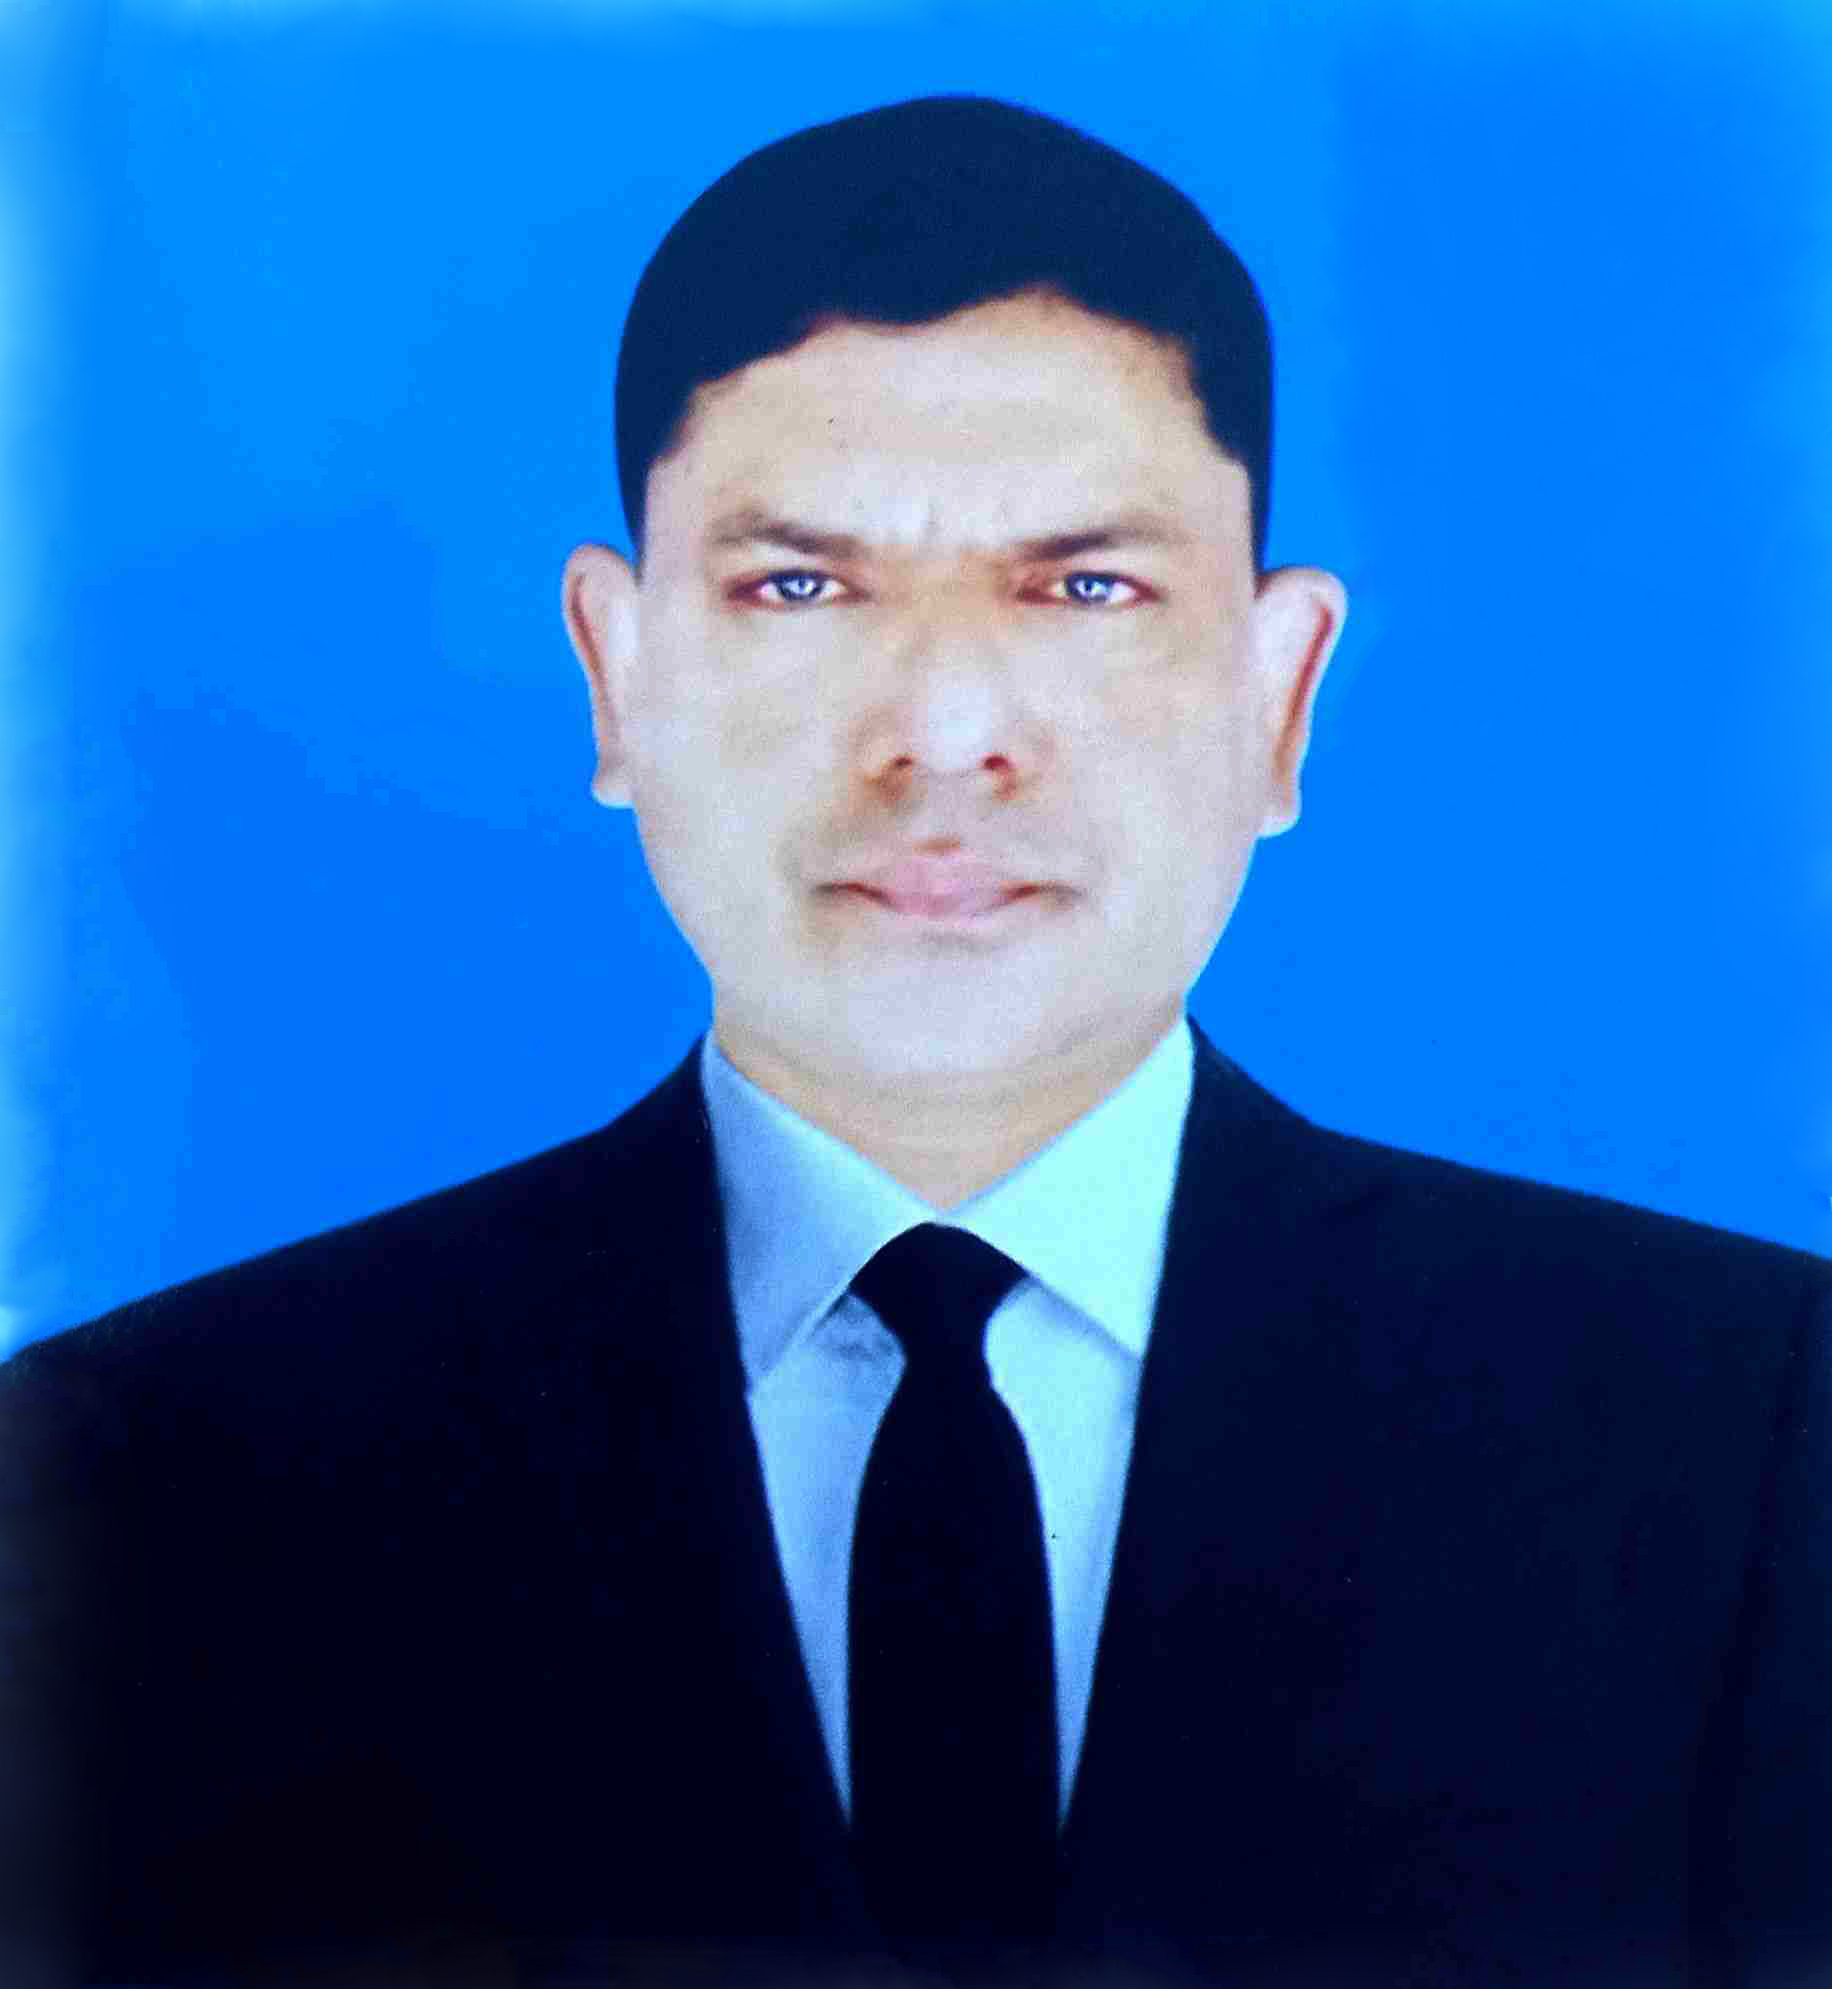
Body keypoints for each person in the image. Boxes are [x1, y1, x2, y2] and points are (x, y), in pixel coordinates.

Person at [3, 95, 1828, 1989]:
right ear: (617, 673)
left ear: (1280, 695)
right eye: (799, 587)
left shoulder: (1749, 1444)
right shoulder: (145, 1482)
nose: (946, 732)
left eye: (1086, 587)